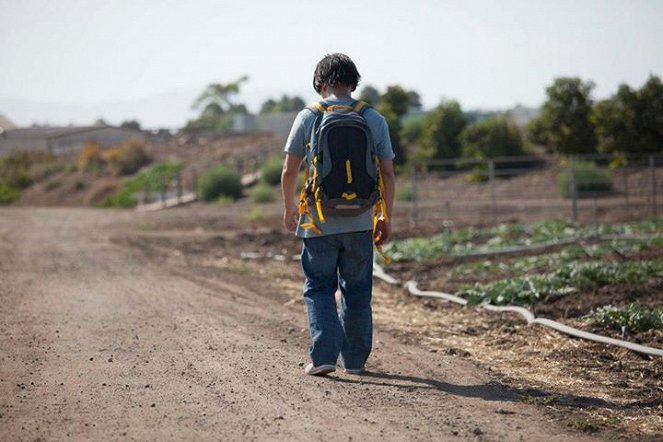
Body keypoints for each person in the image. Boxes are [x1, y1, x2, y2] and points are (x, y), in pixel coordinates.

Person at [280, 53, 396, 376]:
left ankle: (324, 357)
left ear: (321, 83)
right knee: (357, 292)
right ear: (352, 82)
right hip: (361, 223)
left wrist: (290, 208)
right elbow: (387, 173)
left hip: (317, 223)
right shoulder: (373, 118)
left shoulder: (308, 116)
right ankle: (356, 362)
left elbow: (290, 170)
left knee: (319, 287)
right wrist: (385, 216)